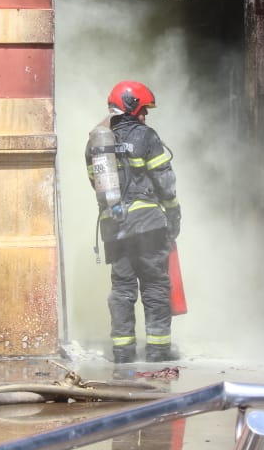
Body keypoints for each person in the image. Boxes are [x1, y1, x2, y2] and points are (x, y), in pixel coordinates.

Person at [85, 81, 182, 364]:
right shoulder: (145, 137)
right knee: (154, 286)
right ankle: (158, 350)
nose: (145, 116)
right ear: (131, 106)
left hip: (114, 228)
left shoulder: (96, 144)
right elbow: (165, 181)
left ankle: (123, 352)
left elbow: (96, 184)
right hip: (149, 226)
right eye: (143, 110)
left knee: (122, 289)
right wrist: (173, 214)